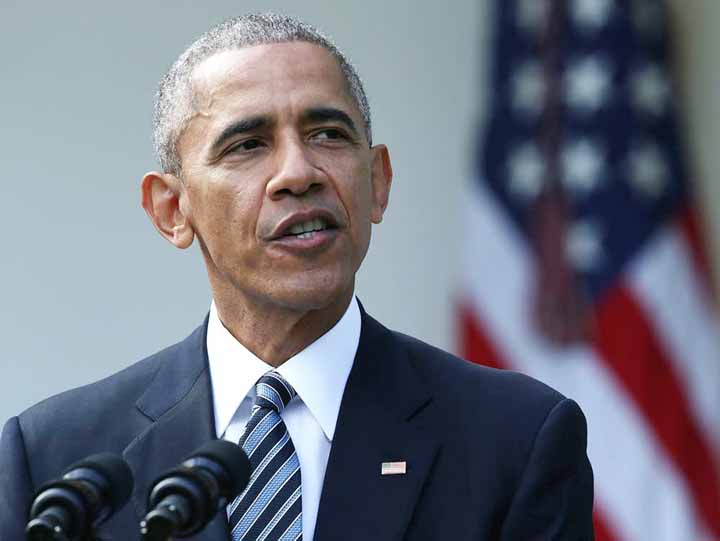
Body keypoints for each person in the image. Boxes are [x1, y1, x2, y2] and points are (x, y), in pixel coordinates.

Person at [0, 13, 594, 541]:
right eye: (247, 144)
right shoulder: (56, 458)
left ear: (377, 182)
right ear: (171, 210)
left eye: (328, 135)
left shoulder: (516, 440)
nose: (297, 172)